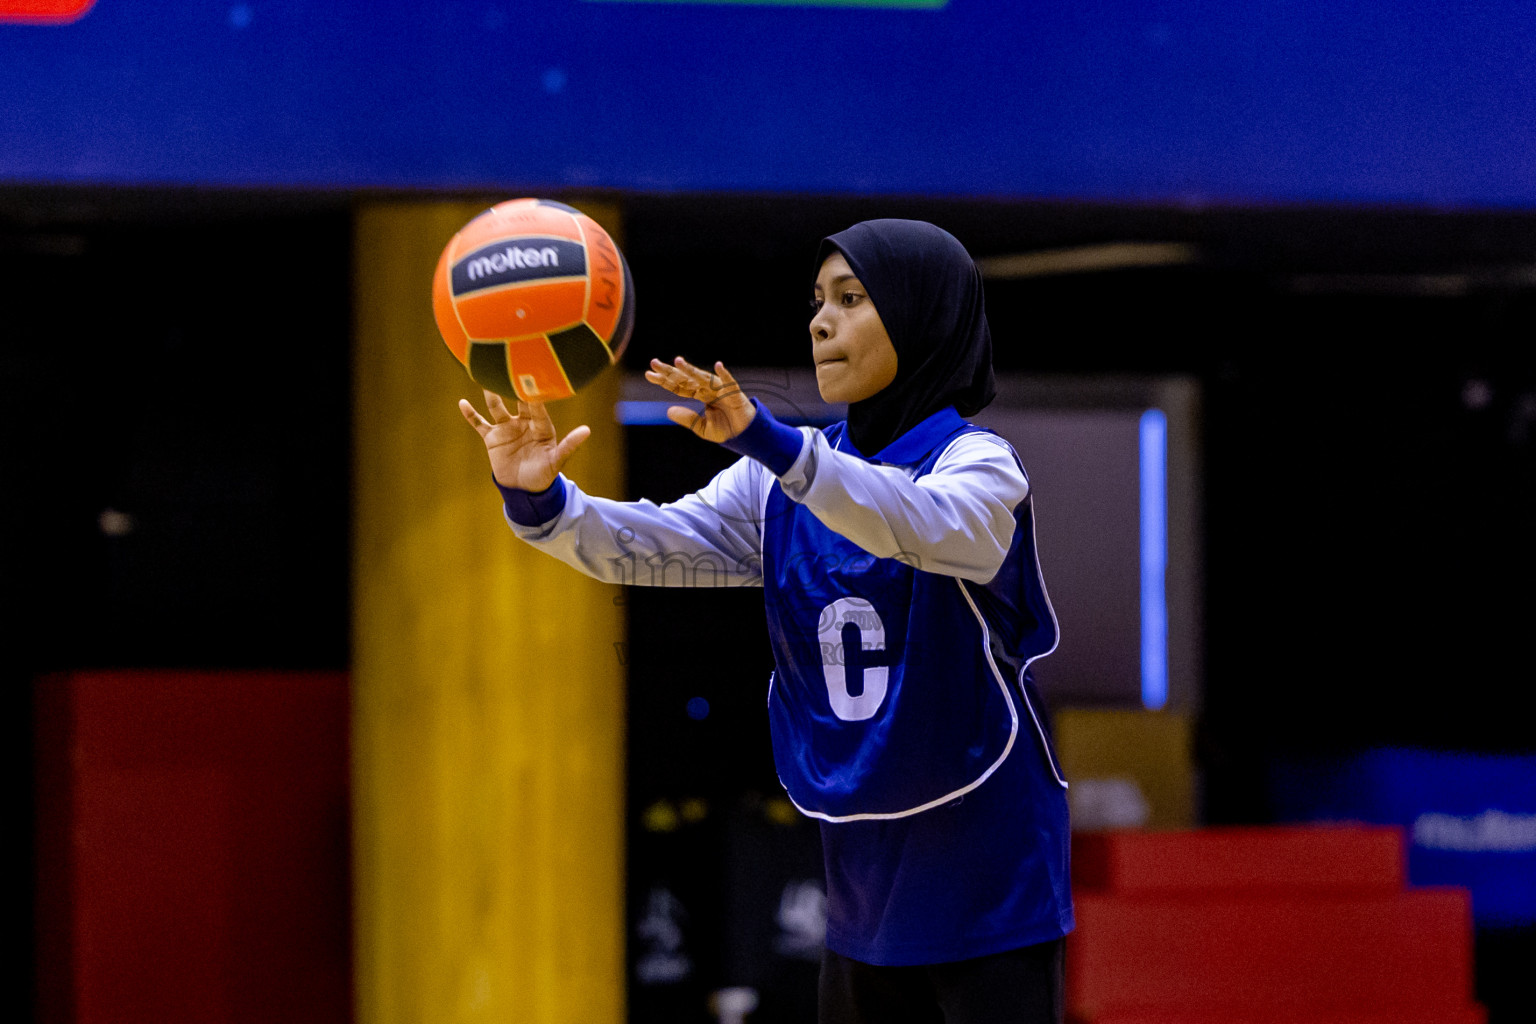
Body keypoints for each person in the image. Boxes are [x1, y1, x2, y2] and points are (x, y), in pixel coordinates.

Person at [460, 219, 1072, 1024]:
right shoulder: (782, 479)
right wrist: (540, 498)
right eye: (817, 300)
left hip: (988, 873)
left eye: (852, 300)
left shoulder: (977, 465)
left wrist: (775, 446)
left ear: (924, 317)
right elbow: (649, 546)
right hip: (860, 877)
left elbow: (920, 522)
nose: (820, 322)